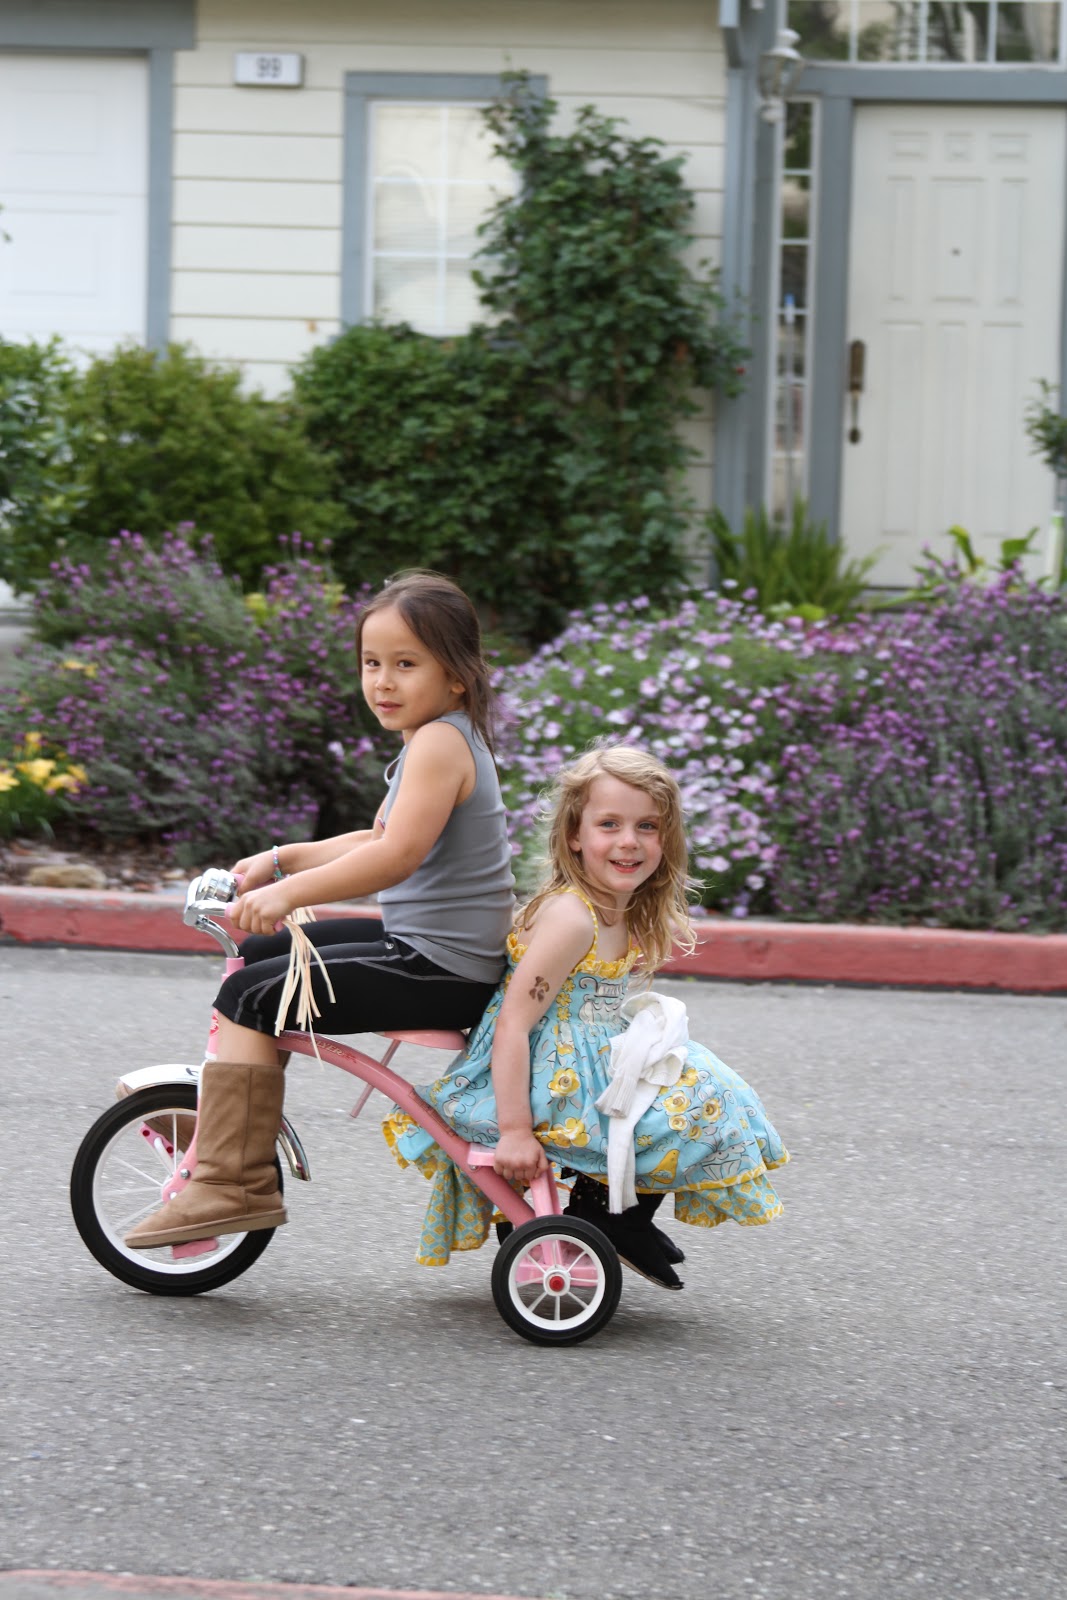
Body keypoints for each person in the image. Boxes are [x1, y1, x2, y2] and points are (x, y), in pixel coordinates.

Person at [127, 571, 515, 1251]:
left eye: (405, 664)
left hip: (441, 968)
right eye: (371, 663)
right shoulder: (434, 738)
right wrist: (279, 860)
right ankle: (231, 1135)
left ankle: (232, 1182)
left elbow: (394, 857)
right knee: (257, 957)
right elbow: (376, 838)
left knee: (250, 994)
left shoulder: (439, 744)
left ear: (457, 677)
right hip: (427, 950)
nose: (383, 682)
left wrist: (289, 895)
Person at [384, 744, 788, 1291]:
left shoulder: (619, 908)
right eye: (609, 824)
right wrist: (515, 1131)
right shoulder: (573, 918)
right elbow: (512, 1024)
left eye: (647, 826)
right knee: (692, 1101)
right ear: (574, 834)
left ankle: (618, 1213)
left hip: (584, 1057)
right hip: (547, 1074)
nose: (629, 841)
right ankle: (609, 1219)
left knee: (702, 1079)